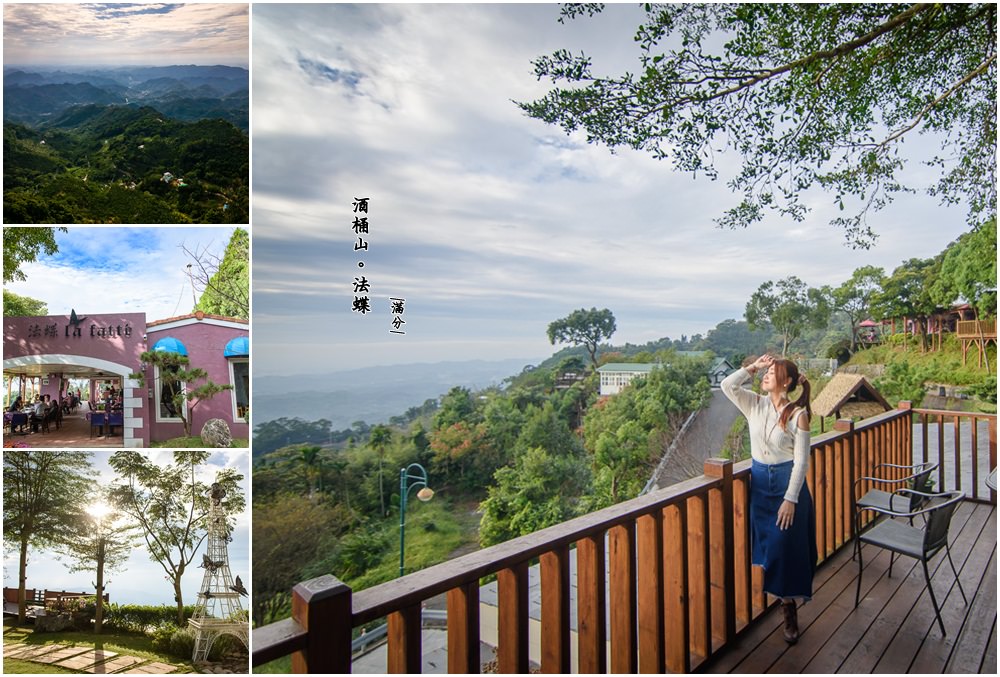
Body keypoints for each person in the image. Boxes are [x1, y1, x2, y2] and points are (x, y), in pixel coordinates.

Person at [721, 354, 817, 644]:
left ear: (786, 382)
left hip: (788, 487)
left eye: (772, 373)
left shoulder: (798, 414)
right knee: (768, 547)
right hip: (760, 485)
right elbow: (727, 385)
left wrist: (791, 499)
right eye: (765, 372)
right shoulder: (755, 405)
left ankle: (788, 608)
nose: (765, 376)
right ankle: (781, 599)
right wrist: (753, 367)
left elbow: (801, 463)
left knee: (785, 548)